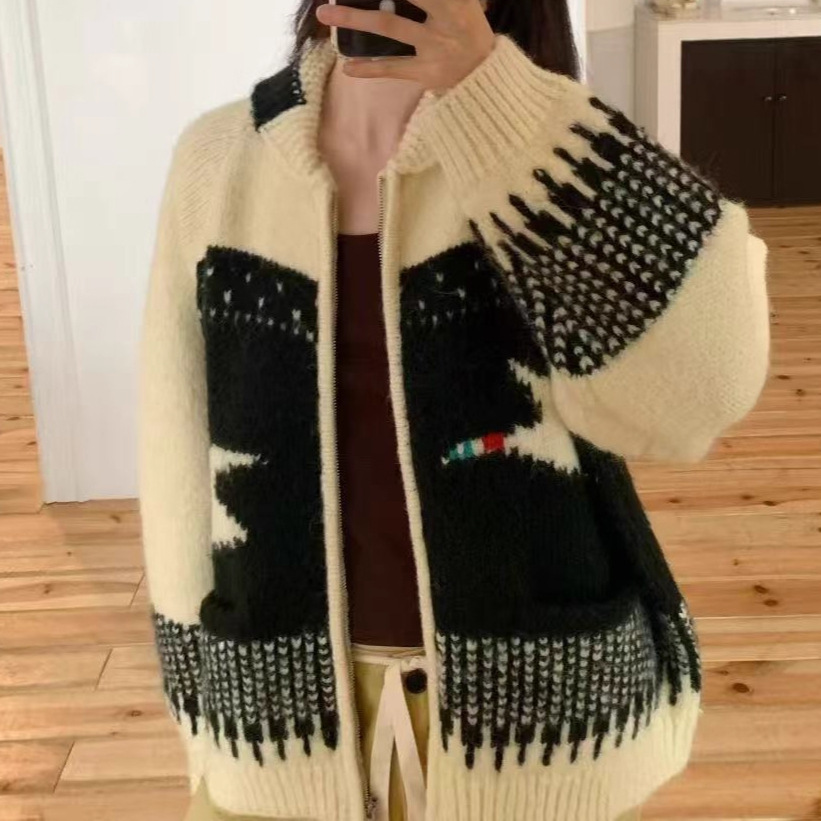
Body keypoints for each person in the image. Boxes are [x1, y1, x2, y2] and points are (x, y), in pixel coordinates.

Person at [137, 1, 771, 820]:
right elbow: (177, 451)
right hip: (276, 726)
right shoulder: (218, 161)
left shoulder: (549, 153)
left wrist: (500, 104)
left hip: (542, 736)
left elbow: (703, 389)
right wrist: (205, 724)